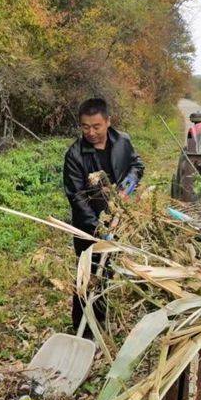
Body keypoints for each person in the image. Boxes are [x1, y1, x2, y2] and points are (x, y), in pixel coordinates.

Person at [62, 98, 144, 335]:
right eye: (85, 127)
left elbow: (136, 165)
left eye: (96, 126)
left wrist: (130, 182)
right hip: (88, 226)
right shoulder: (75, 155)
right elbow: (76, 197)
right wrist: (98, 228)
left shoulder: (122, 141)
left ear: (108, 121)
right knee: (87, 275)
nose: (91, 132)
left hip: (119, 219)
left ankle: (101, 321)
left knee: (107, 272)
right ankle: (84, 330)